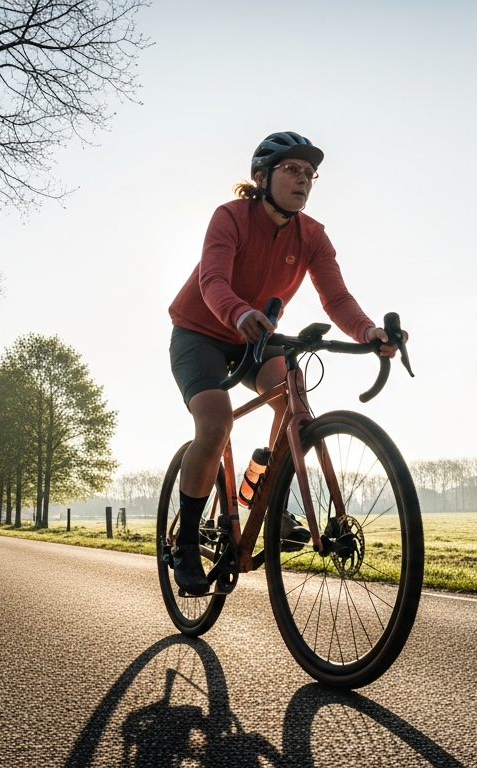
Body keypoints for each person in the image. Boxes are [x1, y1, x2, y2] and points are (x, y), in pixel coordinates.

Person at [167, 131, 405, 595]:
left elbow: (336, 297)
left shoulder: (312, 235)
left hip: (257, 334)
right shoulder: (231, 217)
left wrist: (368, 331)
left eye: (310, 173)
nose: (304, 180)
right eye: (292, 170)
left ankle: (262, 494)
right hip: (201, 332)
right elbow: (213, 279)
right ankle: (186, 546)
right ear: (262, 177)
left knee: (293, 398)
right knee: (215, 424)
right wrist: (238, 312)